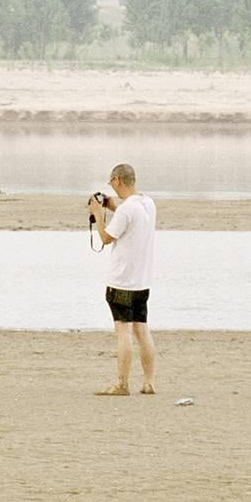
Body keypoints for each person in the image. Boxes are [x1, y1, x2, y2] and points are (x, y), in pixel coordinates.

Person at [93, 160, 160, 395]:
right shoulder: (148, 204)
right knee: (142, 329)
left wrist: (98, 215)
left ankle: (122, 383)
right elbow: (132, 221)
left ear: (117, 181)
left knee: (123, 331)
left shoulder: (126, 209)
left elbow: (106, 237)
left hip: (122, 281)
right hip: (142, 281)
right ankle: (149, 382)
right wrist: (113, 207)